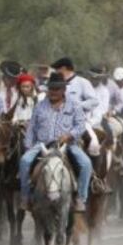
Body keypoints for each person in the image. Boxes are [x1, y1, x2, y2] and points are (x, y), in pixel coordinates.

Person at [18, 73, 93, 213]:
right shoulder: (40, 106)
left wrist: (69, 135)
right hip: (42, 143)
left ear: (64, 90)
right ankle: (25, 197)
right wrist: (28, 146)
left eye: (57, 89)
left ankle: (80, 198)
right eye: (51, 89)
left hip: (68, 145)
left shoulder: (75, 105)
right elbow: (32, 128)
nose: (53, 92)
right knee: (24, 161)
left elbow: (81, 125)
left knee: (86, 163)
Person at [51, 57, 100, 155]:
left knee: (94, 144)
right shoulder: (55, 83)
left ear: (64, 69)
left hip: (79, 121)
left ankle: (93, 169)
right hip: (56, 120)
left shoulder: (82, 82)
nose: (56, 72)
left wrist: (78, 106)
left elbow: (94, 101)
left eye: (57, 69)